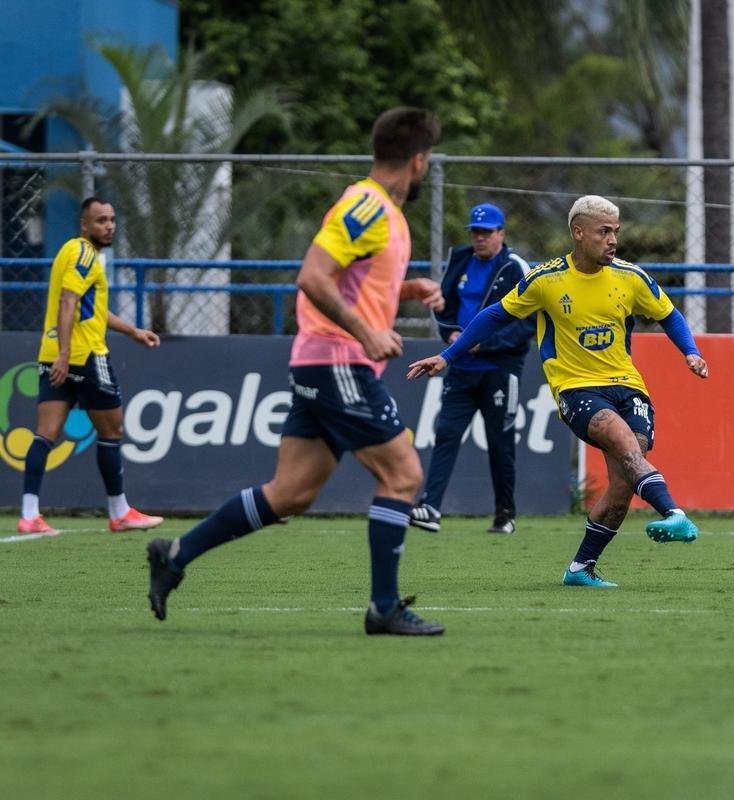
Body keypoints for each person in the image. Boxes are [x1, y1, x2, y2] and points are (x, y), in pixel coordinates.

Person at [145, 106, 449, 635]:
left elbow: (350, 282)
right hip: (338, 360)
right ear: (418, 161)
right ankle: (383, 607)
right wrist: (367, 333)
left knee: (290, 493)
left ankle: (175, 555)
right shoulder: (368, 206)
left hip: (322, 362)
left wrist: (406, 290)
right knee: (403, 476)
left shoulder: (382, 213)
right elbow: (312, 276)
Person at [408, 194, 709, 588]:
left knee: (622, 483)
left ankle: (581, 568)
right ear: (578, 232)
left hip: (628, 386)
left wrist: (690, 351)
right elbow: (494, 315)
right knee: (624, 442)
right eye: (604, 232)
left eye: (616, 232)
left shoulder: (631, 277)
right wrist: (447, 356)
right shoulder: (546, 280)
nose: (613, 240)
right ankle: (673, 513)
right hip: (576, 389)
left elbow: (668, 314)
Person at [18, 197, 164, 536]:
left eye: (111, 219)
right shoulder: (86, 254)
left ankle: (29, 515)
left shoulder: (70, 252)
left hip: (51, 354)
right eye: (101, 220)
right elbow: (68, 300)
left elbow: (91, 308)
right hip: (84, 355)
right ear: (84, 225)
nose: (109, 226)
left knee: (45, 434)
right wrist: (67, 353)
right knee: (112, 431)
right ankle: (119, 512)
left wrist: (132, 331)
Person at [409, 202, 535, 535]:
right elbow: (443, 305)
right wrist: (451, 333)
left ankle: (505, 513)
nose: (479, 238)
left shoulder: (515, 267)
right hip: (460, 366)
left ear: (501, 233)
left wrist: (484, 343)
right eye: (475, 232)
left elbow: (528, 323)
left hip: (499, 370)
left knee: (500, 442)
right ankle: (430, 508)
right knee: (446, 434)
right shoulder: (460, 260)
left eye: (486, 232)